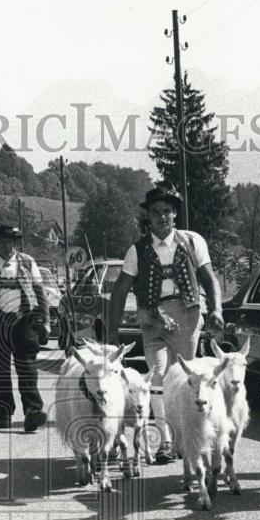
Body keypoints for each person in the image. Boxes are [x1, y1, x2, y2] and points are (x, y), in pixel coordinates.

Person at [108, 185, 225, 464]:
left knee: (184, 376)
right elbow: (120, 291)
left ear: (175, 214)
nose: (162, 217)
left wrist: (217, 309)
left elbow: (209, 278)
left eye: (167, 211)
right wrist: (112, 331)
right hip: (152, 316)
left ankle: (187, 437)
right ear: (148, 216)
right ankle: (166, 441)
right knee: (158, 374)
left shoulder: (193, 241)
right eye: (156, 212)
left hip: (187, 314)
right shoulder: (137, 250)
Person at [0, 225, 50, 432]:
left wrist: (46, 321)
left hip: (25, 321)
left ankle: (33, 412)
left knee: (28, 368)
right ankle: (4, 414)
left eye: (8, 242)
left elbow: (39, 291)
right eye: (0, 243)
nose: (5, 247)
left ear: (14, 243)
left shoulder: (27, 262)